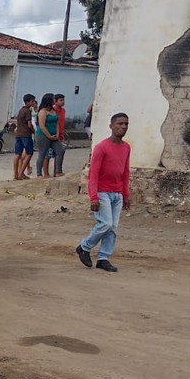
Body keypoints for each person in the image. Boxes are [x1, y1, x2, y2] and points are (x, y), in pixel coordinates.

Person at [76, 113, 131, 273]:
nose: (123, 127)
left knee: (112, 227)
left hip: (117, 193)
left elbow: (125, 172)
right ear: (111, 126)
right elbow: (93, 174)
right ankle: (84, 247)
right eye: (119, 124)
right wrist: (93, 197)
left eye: (126, 124)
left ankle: (103, 258)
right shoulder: (101, 147)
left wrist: (126, 194)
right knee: (105, 224)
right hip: (102, 192)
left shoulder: (126, 147)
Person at [34, 93, 60, 178]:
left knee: (60, 150)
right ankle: (39, 173)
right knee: (43, 154)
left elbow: (57, 123)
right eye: (53, 99)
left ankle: (58, 171)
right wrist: (49, 136)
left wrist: (57, 133)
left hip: (54, 135)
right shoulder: (43, 111)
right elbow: (42, 126)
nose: (55, 100)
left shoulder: (53, 111)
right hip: (43, 136)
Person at [13, 94, 36, 180]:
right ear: (28, 102)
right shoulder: (27, 111)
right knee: (29, 153)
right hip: (26, 135)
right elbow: (29, 124)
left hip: (18, 134)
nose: (33, 103)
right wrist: (33, 130)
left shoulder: (20, 110)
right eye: (32, 101)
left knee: (17, 154)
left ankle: (15, 174)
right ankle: (21, 173)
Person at [53, 93, 67, 177]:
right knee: (59, 152)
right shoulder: (54, 110)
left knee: (60, 152)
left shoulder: (63, 110)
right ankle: (58, 171)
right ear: (55, 101)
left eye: (63, 100)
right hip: (54, 134)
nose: (63, 102)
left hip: (61, 133)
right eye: (60, 100)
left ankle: (57, 170)